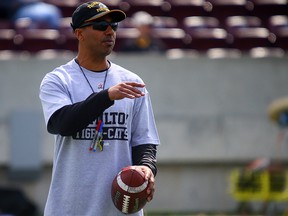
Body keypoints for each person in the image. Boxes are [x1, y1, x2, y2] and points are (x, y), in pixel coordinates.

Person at [39, 1, 160, 216]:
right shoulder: (58, 80)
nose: (109, 31)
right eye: (100, 26)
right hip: (70, 208)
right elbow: (63, 124)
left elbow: (144, 139)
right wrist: (107, 96)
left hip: (120, 210)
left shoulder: (131, 81)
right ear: (79, 33)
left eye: (113, 26)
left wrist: (146, 168)